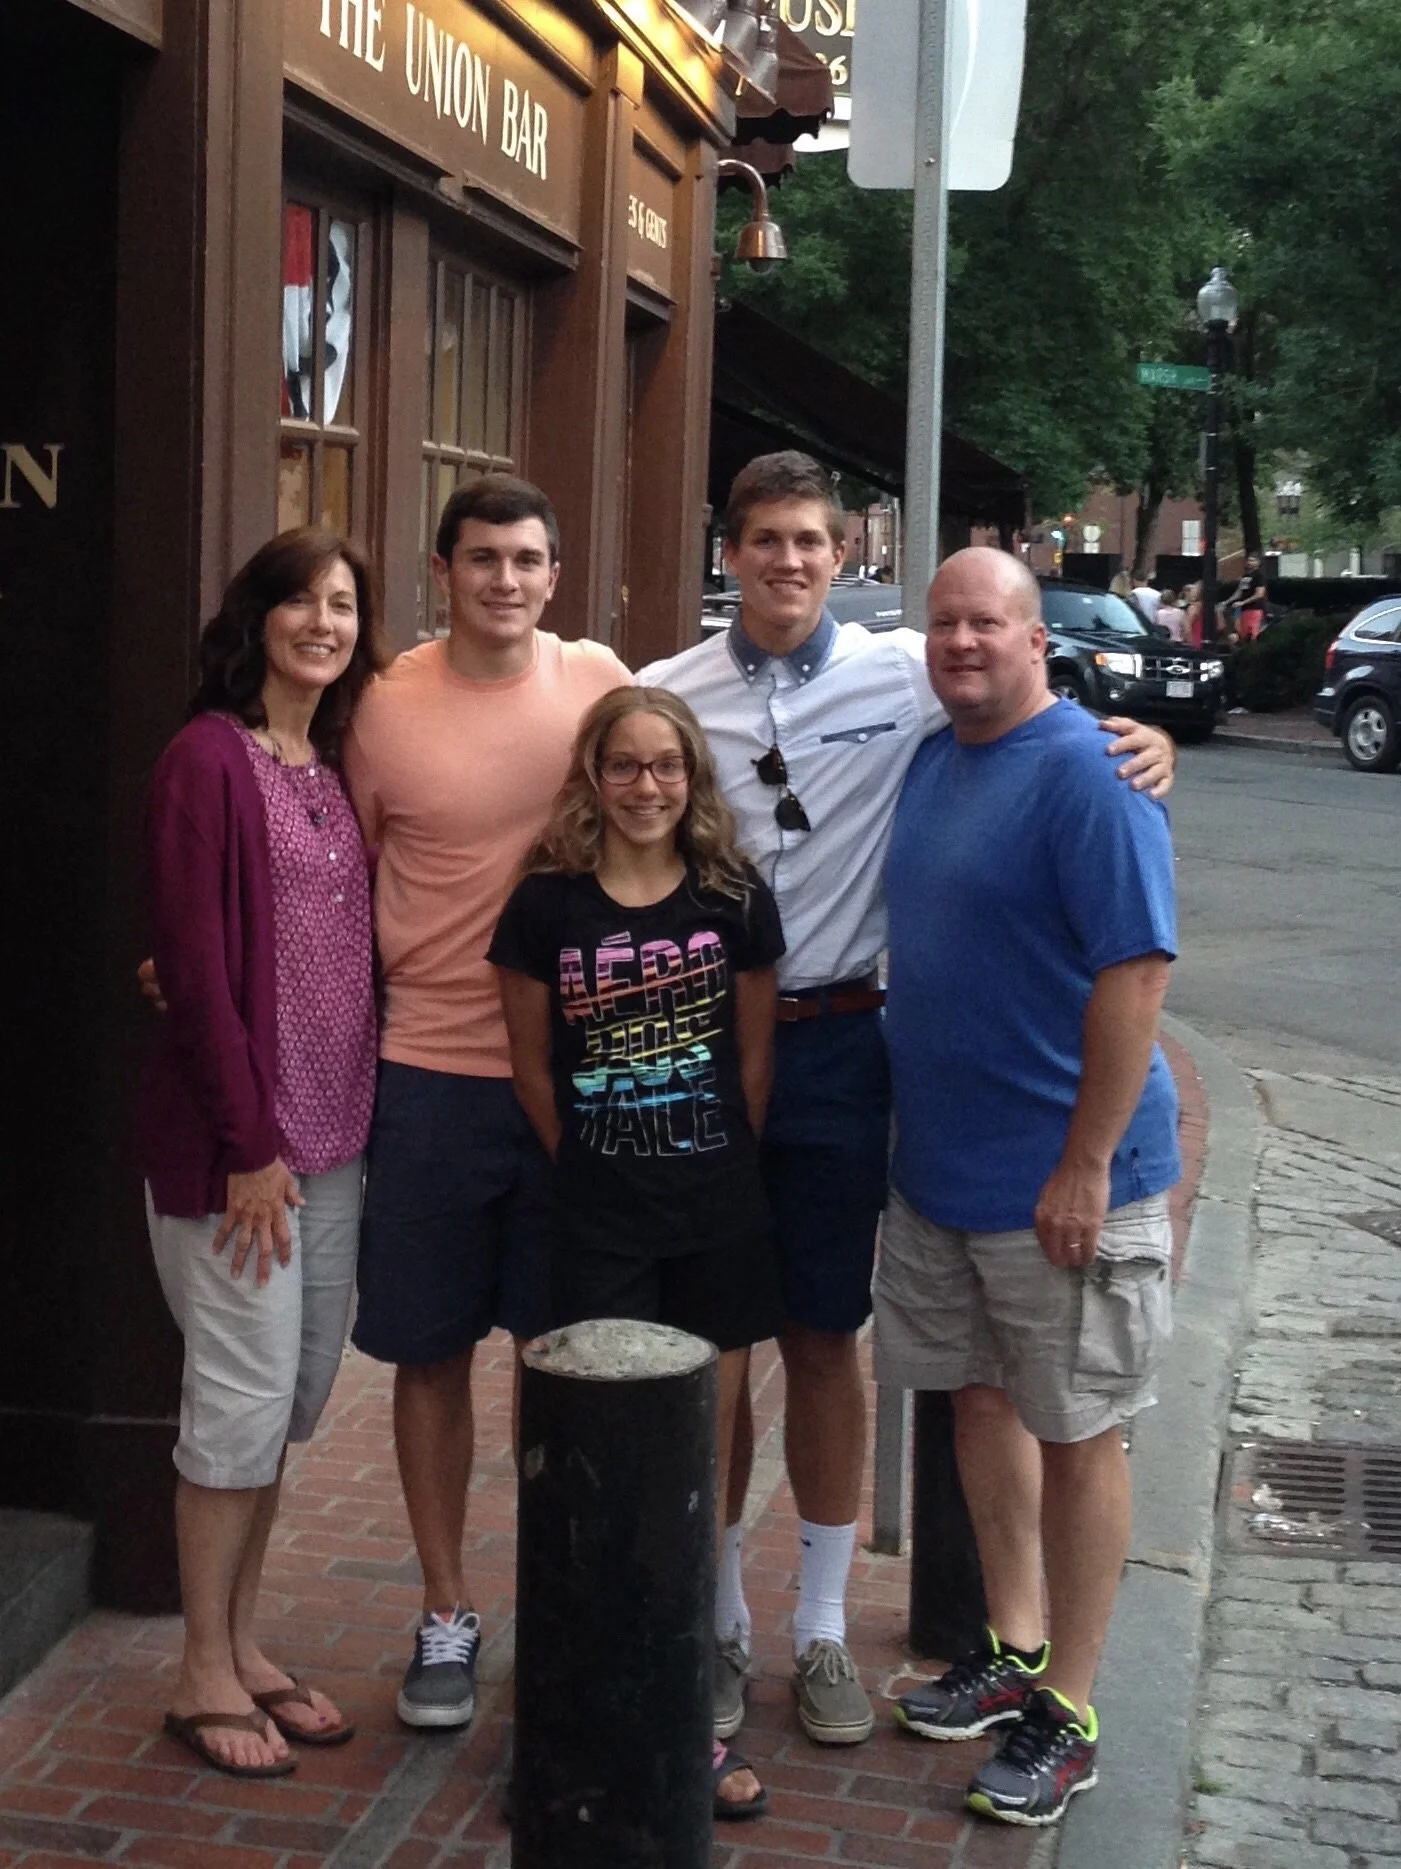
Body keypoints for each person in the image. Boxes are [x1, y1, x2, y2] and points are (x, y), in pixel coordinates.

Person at [639, 451, 1177, 1750]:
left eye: (810, 540)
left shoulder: (908, 682)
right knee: (752, 1359)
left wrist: (1142, 733)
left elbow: (1059, 756)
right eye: (761, 538)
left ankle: (838, 1634)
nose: (785, 560)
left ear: (840, 558)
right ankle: (736, 1623)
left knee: (840, 1347)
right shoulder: (660, 694)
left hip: (847, 1054)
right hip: (731, 1062)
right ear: (727, 552)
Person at [880, 547, 1179, 1827]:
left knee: (1080, 1431)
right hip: (943, 1172)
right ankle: (1011, 1645)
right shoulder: (935, 758)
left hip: (1063, 1184)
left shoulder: (1093, 777)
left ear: (1035, 638)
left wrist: (1086, 1162)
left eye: (987, 623)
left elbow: (1137, 974)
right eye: (944, 622)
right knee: (981, 1405)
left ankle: (1076, 1703)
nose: (962, 642)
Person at [342, 475, 631, 1729]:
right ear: (441, 571)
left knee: (564, 1357)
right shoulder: (383, 708)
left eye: (526, 560)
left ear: (554, 578)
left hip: (575, 1084)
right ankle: (446, 1610)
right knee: (428, 1351)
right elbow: (332, 879)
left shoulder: (599, 685)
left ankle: (570, 1608)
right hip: (429, 1079)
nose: (504, 581)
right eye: (481, 560)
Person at [489, 686, 784, 1819]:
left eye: (667, 766)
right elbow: (532, 1072)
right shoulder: (547, 908)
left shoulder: (731, 897)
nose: (647, 787)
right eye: (626, 766)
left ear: (692, 778)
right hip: (597, 1219)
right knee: (597, 1463)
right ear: (594, 776)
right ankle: (570, 1710)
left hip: (713, 1210)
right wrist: (600, 1166)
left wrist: (703, 1162)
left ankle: (685, 1687)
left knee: (694, 1459)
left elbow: (752, 1064)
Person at [140, 529, 386, 1777]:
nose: (324, 623)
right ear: (258, 619)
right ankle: (198, 1671)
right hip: (243, 1157)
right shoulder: (206, 761)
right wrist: (247, 1146)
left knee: (287, 1404)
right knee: (233, 1411)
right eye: (300, 602)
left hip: (336, 1143)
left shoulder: (332, 759)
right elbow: (189, 966)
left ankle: (242, 1639)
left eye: (343, 606)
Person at [1231, 554, 1269, 641]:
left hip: (1255, 609)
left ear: (1258, 563)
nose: (1250, 563)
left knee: (1253, 635)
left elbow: (1259, 594)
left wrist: (1243, 602)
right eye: (1248, 560)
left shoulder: (1259, 576)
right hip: (1244, 610)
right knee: (1243, 635)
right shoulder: (1245, 577)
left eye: (1253, 560)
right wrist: (1227, 602)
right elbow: (1239, 592)